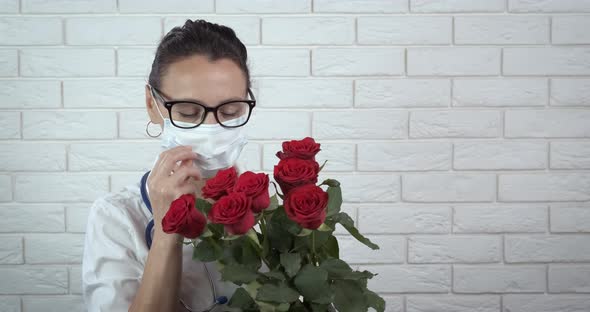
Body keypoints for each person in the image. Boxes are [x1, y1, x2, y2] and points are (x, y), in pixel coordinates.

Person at [82, 19, 255, 312]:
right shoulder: (115, 217)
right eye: (188, 113)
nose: (212, 127)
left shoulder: (268, 209)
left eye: (230, 110)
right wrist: (166, 230)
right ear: (152, 104)